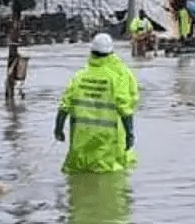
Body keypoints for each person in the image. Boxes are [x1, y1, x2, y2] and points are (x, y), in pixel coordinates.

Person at [54, 33, 136, 174]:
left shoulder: (79, 76)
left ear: (91, 52)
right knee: (110, 177)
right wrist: (130, 134)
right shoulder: (116, 77)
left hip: (81, 139)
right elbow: (125, 108)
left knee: (77, 175)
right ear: (111, 53)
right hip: (106, 141)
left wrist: (58, 129)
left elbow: (64, 105)